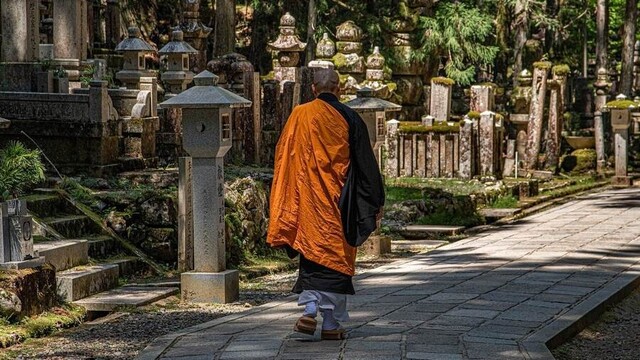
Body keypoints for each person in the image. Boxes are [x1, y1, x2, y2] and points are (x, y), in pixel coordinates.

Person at [267, 68, 385, 340]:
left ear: (313, 90)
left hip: (307, 203)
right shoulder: (350, 117)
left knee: (311, 256)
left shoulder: (299, 115)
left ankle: (309, 309)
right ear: (340, 89)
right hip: (339, 204)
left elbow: (285, 157)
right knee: (335, 262)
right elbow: (366, 164)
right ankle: (330, 324)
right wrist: (375, 200)